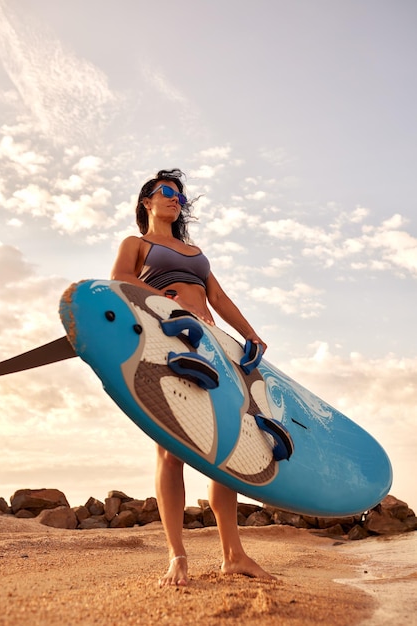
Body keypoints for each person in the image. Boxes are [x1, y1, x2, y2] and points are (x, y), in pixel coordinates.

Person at [111, 168, 273, 587]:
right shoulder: (137, 243)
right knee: (171, 451)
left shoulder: (194, 250)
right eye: (166, 192)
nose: (174, 200)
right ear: (147, 200)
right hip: (168, 339)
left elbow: (217, 297)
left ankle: (233, 554)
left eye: (179, 196)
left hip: (212, 345)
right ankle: (177, 556)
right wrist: (159, 297)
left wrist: (249, 334)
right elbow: (120, 280)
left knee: (226, 446)